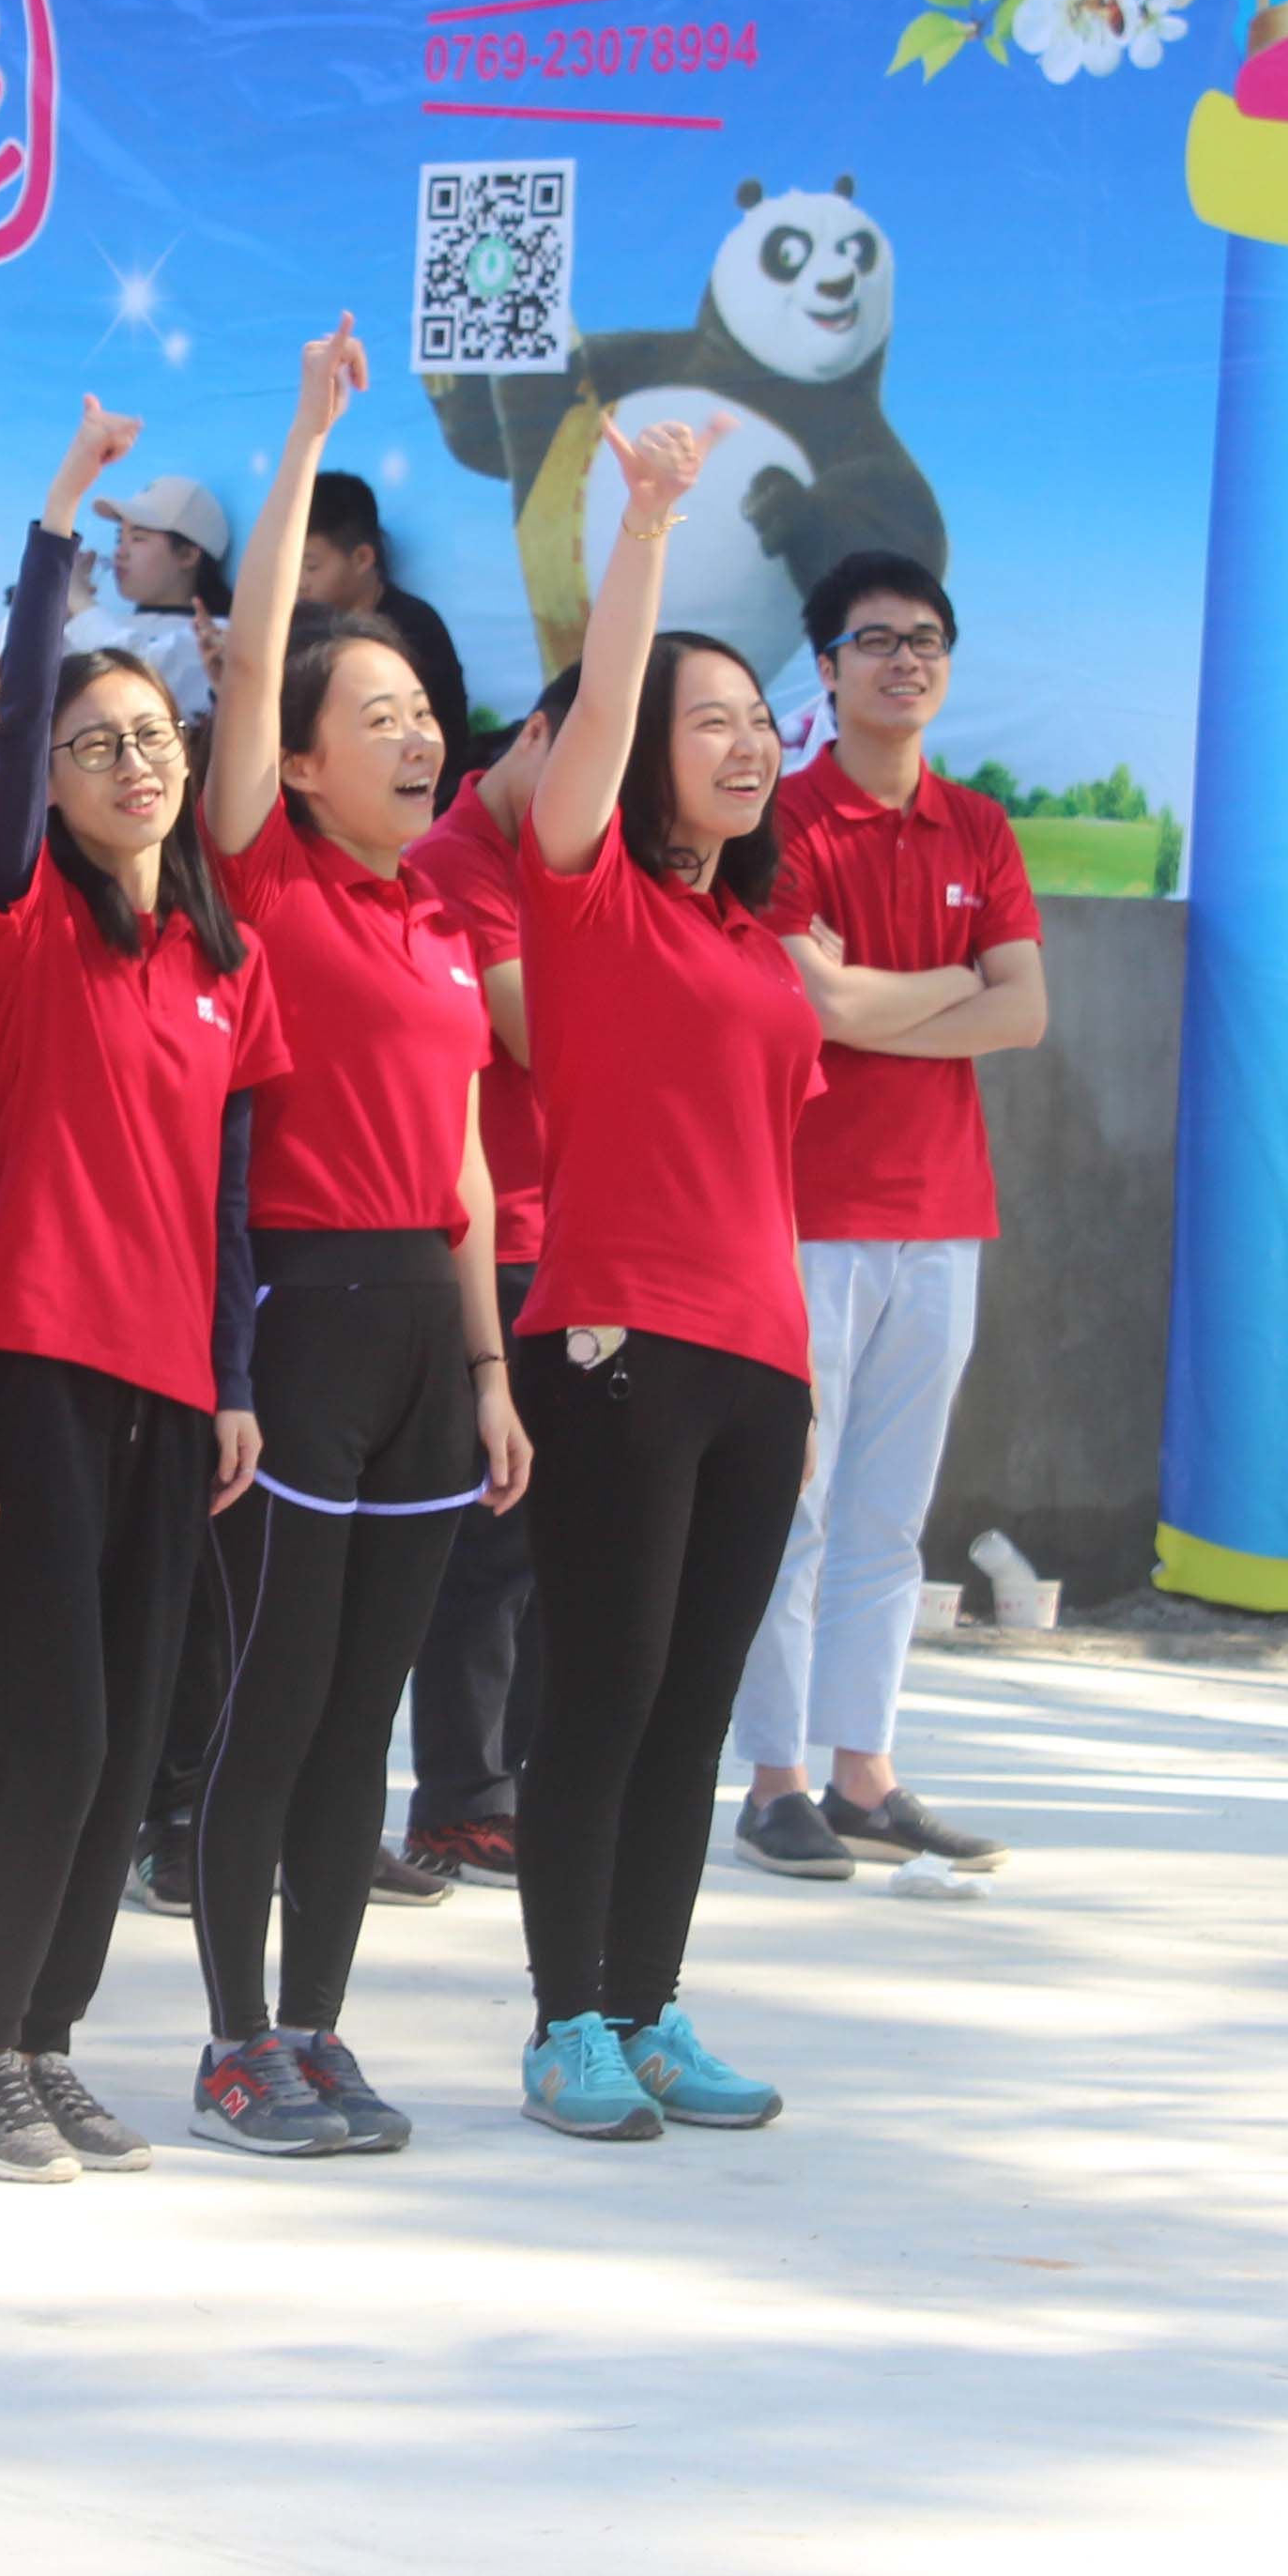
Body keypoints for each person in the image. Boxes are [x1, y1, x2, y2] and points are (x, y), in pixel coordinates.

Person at [180, 321, 533, 2160]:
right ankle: (233, 2042)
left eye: (421, 715)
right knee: (277, 1702)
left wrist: (487, 1370)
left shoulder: (438, 922)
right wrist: (306, 436)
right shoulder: (264, 874)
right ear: (301, 767)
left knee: (363, 1723)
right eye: (373, 717)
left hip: (421, 1334)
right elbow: (251, 669)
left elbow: (466, 1162)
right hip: (298, 1314)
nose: (412, 736)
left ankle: (317, 2026)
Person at [0, 394, 284, 2185]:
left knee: (134, 1736)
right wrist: (59, 519)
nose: (131, 765)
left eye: (152, 736)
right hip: (28, 1366)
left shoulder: (221, 958)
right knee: (54, 1735)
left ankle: (48, 2043)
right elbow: (5, 758)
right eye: (93, 746)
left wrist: (230, 1380)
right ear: (48, 781)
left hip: (164, 1386)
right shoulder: (19, 921)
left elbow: (226, 1191)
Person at [507, 409, 817, 2145]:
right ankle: (566, 2020)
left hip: (759, 1358)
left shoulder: (756, 942)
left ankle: (646, 1999)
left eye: (758, 720)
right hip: (615, 1340)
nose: (747, 742)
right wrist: (645, 531)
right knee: (604, 1694)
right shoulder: (589, 899)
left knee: (692, 1707)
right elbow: (598, 718)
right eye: (712, 721)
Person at [731, 554, 1046, 1879]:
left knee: (888, 1515)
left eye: (926, 640)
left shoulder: (978, 826)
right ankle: (773, 1782)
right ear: (825, 668)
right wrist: (950, 984)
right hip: (808, 1212)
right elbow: (819, 1009)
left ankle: (864, 1770)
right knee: (790, 1506)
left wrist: (880, 996)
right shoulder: (787, 821)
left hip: (943, 1214)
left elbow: (1023, 1011)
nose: (904, 661)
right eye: (875, 641)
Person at [398, 669, 579, 1889]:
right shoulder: (457, 861)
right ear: (535, 735)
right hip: (488, 1241)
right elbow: (551, 1040)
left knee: (551, 1544)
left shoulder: (591, 863)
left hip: (575, 1238)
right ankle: (460, 1799)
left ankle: (518, 1782)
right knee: (489, 1538)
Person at [291, 473, 476, 796]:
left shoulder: (414, 628)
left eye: (310, 567)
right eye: (291, 565)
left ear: (362, 558)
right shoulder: (300, 628)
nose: (299, 582)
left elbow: (448, 743)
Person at [71, 470, 224, 720]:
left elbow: (140, 673)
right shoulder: (103, 623)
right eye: (119, 538)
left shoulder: (215, 634)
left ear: (188, 554)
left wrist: (79, 601)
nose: (120, 552)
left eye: (138, 539)